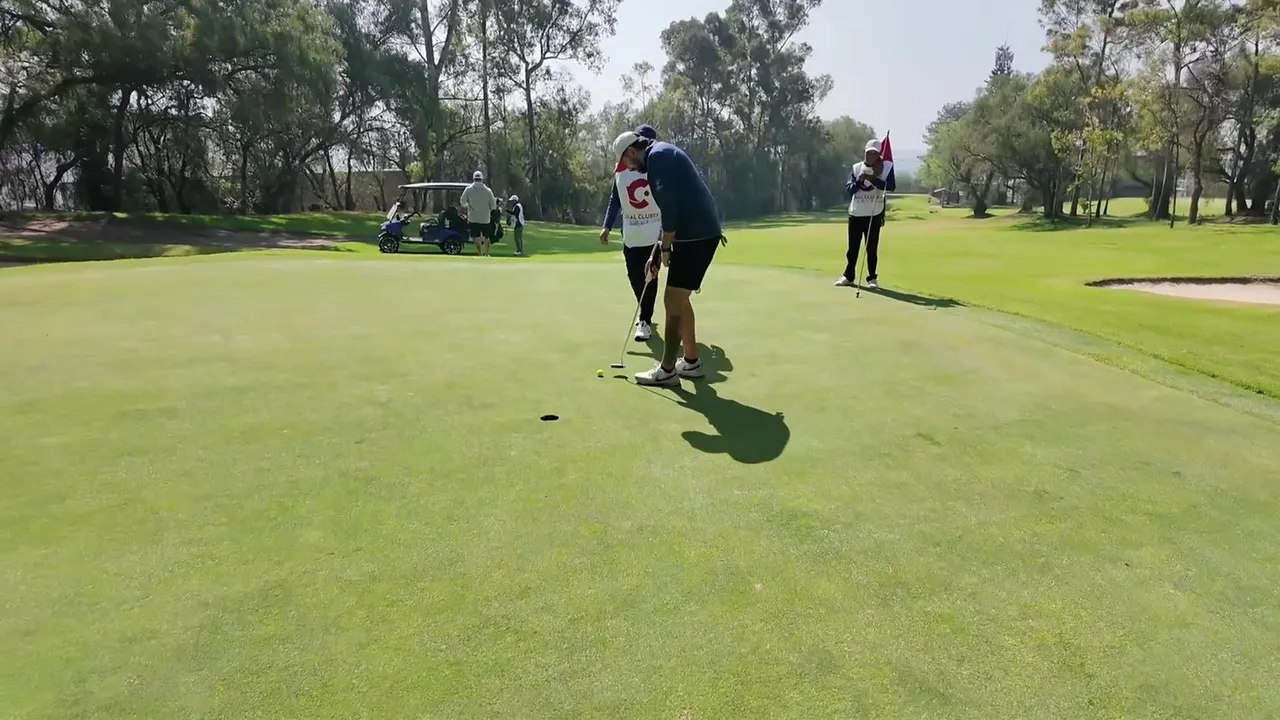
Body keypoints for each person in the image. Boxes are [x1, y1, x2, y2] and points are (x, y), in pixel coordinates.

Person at [613, 130, 726, 388]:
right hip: (697, 233)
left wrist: (664, 249)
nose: (628, 167)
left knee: (672, 299)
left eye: (626, 161)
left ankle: (667, 370)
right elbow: (668, 211)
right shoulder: (660, 154)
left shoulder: (658, 159)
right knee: (680, 298)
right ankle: (691, 362)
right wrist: (657, 249)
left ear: (631, 151)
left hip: (695, 235)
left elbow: (671, 210)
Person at [599, 123, 661, 341]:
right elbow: (615, 198)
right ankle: (645, 311)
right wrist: (607, 225)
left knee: (650, 276)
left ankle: (645, 319)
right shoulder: (623, 169)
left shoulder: (657, 165)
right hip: (631, 234)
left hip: (654, 234)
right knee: (634, 276)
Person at [836, 138, 895, 289]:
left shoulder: (885, 169)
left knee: (871, 249)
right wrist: (860, 181)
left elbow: (890, 186)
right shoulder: (856, 168)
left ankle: (872, 278)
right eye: (868, 153)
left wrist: (874, 179)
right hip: (856, 213)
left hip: (874, 214)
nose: (870, 156)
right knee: (852, 249)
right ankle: (848, 276)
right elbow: (849, 189)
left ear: (878, 155)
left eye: (874, 153)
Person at [460, 170, 497, 256]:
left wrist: (468, 206)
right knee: (486, 237)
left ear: (473, 179)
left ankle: (480, 253)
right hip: (485, 218)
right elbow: (493, 206)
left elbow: (463, 202)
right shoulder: (488, 191)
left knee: (475, 237)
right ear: (482, 179)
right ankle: (487, 253)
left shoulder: (468, 189)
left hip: (473, 217)